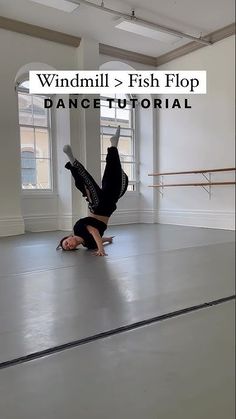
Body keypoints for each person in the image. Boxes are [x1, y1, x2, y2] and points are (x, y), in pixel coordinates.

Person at [57, 126, 128, 256]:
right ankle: (114, 144)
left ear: (69, 237)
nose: (69, 245)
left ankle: (72, 161)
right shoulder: (88, 245)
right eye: (68, 248)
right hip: (109, 206)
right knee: (114, 176)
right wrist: (108, 240)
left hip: (97, 206)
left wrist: (101, 249)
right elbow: (99, 239)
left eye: (66, 243)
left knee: (87, 185)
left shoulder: (77, 228)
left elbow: (94, 231)